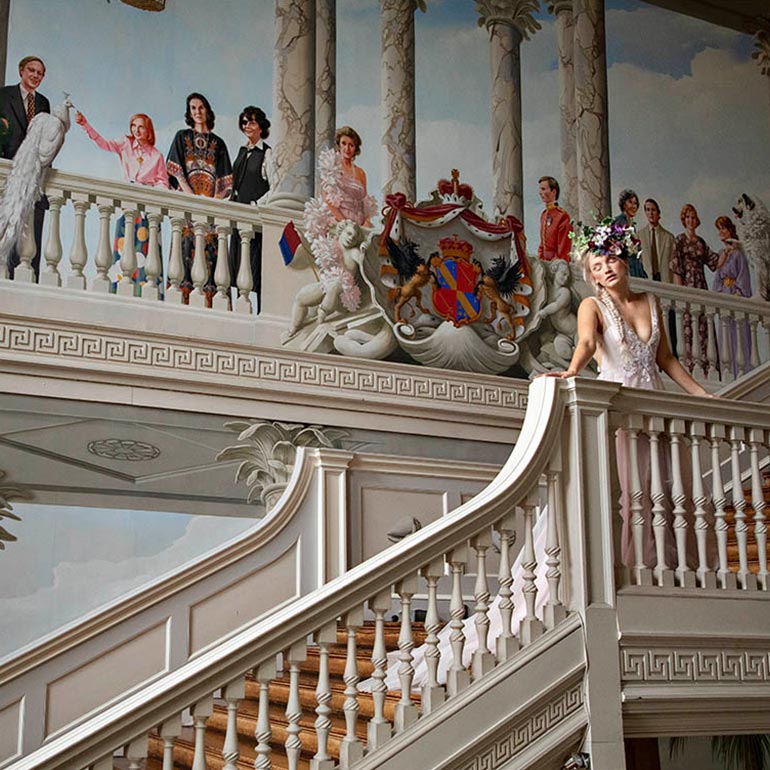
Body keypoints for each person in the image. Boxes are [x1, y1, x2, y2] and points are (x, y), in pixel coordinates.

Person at [545, 219, 711, 567]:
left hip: (657, 405)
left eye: (610, 260)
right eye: (597, 267)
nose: (605, 269)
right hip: (621, 407)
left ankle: (670, 564)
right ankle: (633, 566)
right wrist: (573, 370)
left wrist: (702, 396)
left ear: (624, 258)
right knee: (631, 489)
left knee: (665, 488)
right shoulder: (592, 306)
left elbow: (665, 358)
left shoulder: (651, 300)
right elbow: (588, 342)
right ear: (591, 275)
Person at [76, 111, 169, 290]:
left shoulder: (157, 156)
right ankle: (120, 290)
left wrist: (153, 192)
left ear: (148, 130)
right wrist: (85, 124)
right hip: (126, 206)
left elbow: (162, 182)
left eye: (141, 127)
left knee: (145, 252)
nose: (136, 130)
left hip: (146, 210)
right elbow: (104, 144)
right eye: (133, 126)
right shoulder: (125, 144)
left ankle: (144, 292)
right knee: (123, 249)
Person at [166, 93, 232, 303]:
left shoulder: (218, 143)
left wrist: (209, 205)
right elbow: (176, 172)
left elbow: (225, 182)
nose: (197, 112)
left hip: (210, 210)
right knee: (184, 254)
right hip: (188, 208)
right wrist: (193, 200)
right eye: (193, 108)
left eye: (201, 107)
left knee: (211, 259)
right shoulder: (182, 137)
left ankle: (212, 303)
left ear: (207, 110)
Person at [0, 56, 50, 280]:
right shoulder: (4, 95)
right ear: (21, 71)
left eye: (39, 73)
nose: (35, 76)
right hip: (9, 170)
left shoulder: (43, 103)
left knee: (29, 240)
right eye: (31, 70)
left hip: (33, 175)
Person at [229, 106, 271, 312]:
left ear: (261, 126)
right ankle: (239, 309)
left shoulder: (267, 153)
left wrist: (257, 206)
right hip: (238, 215)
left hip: (255, 218)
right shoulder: (241, 151)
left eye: (252, 122)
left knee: (256, 264)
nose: (247, 126)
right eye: (244, 122)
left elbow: (274, 187)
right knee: (236, 262)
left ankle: (260, 310)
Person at [670, 203, 719, 375]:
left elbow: (714, 262)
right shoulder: (680, 240)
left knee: (703, 324)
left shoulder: (701, 242)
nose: (691, 220)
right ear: (684, 220)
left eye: (693, 217)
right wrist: (680, 293)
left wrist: (729, 251)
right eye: (688, 217)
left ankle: (706, 365)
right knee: (688, 324)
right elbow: (676, 267)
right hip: (687, 285)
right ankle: (690, 365)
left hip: (700, 284)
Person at [712, 215, 752, 378]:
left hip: (734, 294)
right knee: (725, 335)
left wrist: (737, 292)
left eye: (723, 228)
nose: (721, 232)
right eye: (719, 229)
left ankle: (740, 372)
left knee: (738, 336)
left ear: (730, 230)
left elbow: (743, 276)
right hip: (724, 295)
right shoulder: (723, 253)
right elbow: (717, 278)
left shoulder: (738, 254)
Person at [638, 197, 677, 353]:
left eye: (653, 210)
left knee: (667, 318)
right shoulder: (639, 235)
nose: (650, 213)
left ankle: (670, 350)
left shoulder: (668, 237)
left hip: (664, 279)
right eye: (647, 210)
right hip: (647, 279)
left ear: (659, 213)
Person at [323, 126, 376, 227]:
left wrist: (367, 220)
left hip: (359, 223)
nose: (347, 148)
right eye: (344, 143)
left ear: (355, 149)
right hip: (340, 222)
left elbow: (366, 202)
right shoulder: (332, 167)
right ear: (338, 144)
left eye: (351, 145)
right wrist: (345, 223)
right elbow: (328, 200)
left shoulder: (360, 172)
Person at [536, 175, 571, 262]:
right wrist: (540, 259)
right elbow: (542, 243)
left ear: (553, 192)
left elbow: (564, 245)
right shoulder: (544, 215)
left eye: (543, 189)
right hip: (544, 261)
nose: (540, 192)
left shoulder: (562, 216)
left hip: (557, 262)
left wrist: (559, 262)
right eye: (540, 189)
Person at [614, 189, 644, 278]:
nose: (633, 206)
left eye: (635, 203)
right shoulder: (619, 221)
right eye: (630, 202)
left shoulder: (631, 224)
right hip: (626, 265)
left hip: (635, 266)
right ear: (623, 204)